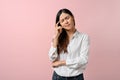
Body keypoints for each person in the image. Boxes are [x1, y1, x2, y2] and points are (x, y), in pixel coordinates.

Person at [48, 8, 90, 80]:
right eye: (62, 21)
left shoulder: (83, 37)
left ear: (72, 17)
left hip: (76, 77)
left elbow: (83, 60)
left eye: (67, 18)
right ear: (59, 24)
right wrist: (56, 37)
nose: (66, 22)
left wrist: (61, 63)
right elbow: (52, 58)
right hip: (58, 77)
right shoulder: (57, 38)